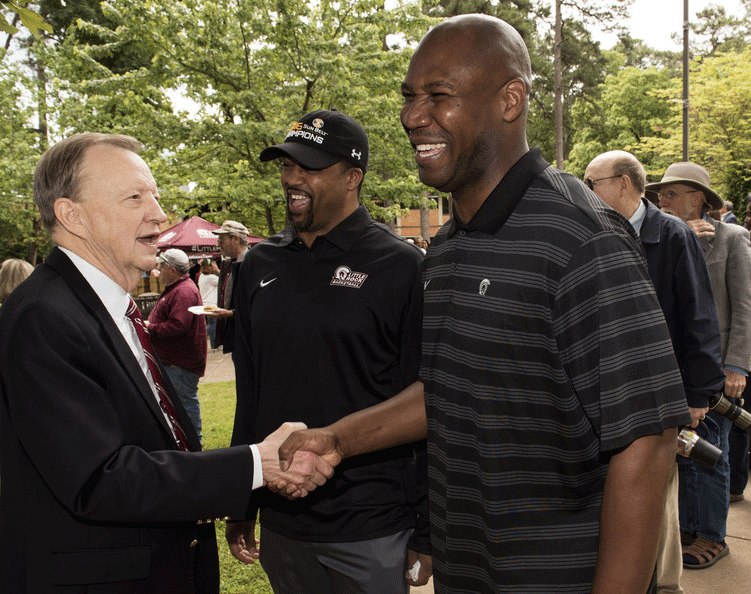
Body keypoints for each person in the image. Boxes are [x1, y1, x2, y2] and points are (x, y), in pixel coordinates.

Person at [277, 15, 690, 594]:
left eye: (438, 96)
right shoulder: (448, 246)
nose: (412, 116)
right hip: (469, 572)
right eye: (409, 97)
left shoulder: (580, 238)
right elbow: (449, 387)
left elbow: (648, 444)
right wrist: (339, 438)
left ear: (510, 100)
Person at [0, 132, 333, 594]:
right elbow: (100, 480)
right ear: (71, 215)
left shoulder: (104, 308)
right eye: (135, 197)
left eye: (155, 196)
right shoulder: (45, 316)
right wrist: (257, 464)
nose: (158, 214)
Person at [228, 109, 431, 593]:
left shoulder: (401, 265)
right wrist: (243, 499)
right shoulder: (258, 264)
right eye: (286, 165)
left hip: (371, 522)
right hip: (283, 520)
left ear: (352, 177)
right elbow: (250, 391)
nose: (293, 178)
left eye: (310, 166)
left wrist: (426, 525)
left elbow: (426, 401)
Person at [584, 151, 725, 593]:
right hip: (615, 389)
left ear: (623, 183)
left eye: (592, 183)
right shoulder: (594, 233)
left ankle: (664, 584)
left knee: (659, 494)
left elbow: (699, 317)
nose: (584, 192)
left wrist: (699, 394)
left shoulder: (672, 235)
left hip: (664, 391)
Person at [647, 161, 751, 570]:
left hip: (715, 369)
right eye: (661, 194)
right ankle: (690, 527)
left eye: (671, 194)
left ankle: (712, 536)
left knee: (714, 453)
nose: (662, 200)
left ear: (698, 198)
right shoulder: (666, 237)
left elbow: (744, 307)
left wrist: (737, 366)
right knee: (686, 450)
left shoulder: (733, 238)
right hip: (673, 370)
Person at [146, 248, 207, 440]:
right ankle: (186, 441)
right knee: (178, 404)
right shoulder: (179, 288)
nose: (159, 270)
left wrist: (151, 327)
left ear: (172, 269)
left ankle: (193, 443)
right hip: (175, 362)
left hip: (180, 363)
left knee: (185, 403)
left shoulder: (183, 291)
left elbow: (178, 326)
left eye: (162, 266)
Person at [206, 220, 249, 353]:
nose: (218, 244)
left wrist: (230, 313)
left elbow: (258, 304)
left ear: (235, 238)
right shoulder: (228, 264)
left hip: (247, 336)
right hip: (232, 334)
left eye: (221, 240)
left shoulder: (251, 262)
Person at [198, 258, 220, 348]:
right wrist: (217, 270)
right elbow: (223, 280)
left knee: (212, 324)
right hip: (212, 304)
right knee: (213, 325)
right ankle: (198, 336)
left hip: (204, 303)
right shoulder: (212, 278)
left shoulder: (201, 276)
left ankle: (214, 344)